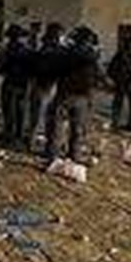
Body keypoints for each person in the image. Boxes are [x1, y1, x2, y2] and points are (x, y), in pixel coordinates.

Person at [45, 26, 102, 163]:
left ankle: (53, 154)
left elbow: (54, 69)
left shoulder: (66, 53)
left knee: (56, 125)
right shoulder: (91, 55)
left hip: (65, 93)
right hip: (82, 96)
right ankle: (74, 154)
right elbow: (98, 74)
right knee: (78, 128)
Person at [27, 22, 65, 148]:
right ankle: (34, 142)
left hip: (47, 86)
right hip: (44, 86)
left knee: (42, 117)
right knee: (39, 117)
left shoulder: (45, 49)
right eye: (59, 35)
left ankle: (36, 141)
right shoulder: (49, 51)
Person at [0, 24, 31, 145]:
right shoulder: (27, 50)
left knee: (9, 112)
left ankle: (9, 135)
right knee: (20, 112)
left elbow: (0, 68)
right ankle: (18, 136)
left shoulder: (7, 50)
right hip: (22, 85)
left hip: (10, 83)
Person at [108, 32, 131, 134]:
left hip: (125, 83)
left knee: (121, 105)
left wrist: (116, 79)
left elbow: (111, 69)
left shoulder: (121, 55)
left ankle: (118, 124)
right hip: (130, 84)